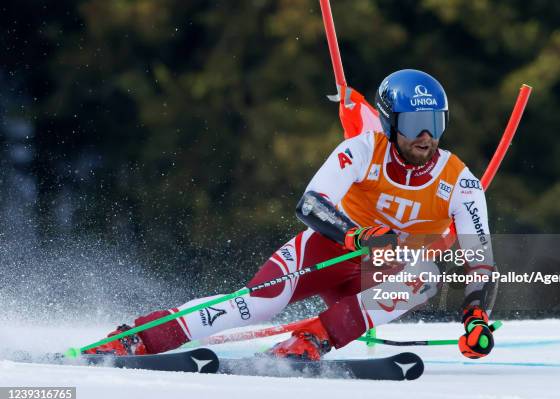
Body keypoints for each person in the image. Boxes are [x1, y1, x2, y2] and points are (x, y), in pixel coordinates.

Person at [85, 69, 496, 361]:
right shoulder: (360, 150)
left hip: (383, 269)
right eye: (415, 124)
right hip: (329, 250)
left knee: (424, 279)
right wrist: (356, 236)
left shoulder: (461, 183)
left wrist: (476, 319)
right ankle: (138, 338)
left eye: (434, 124)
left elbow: (481, 263)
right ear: (390, 123)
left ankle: (311, 340)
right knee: (253, 306)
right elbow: (312, 205)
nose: (427, 137)